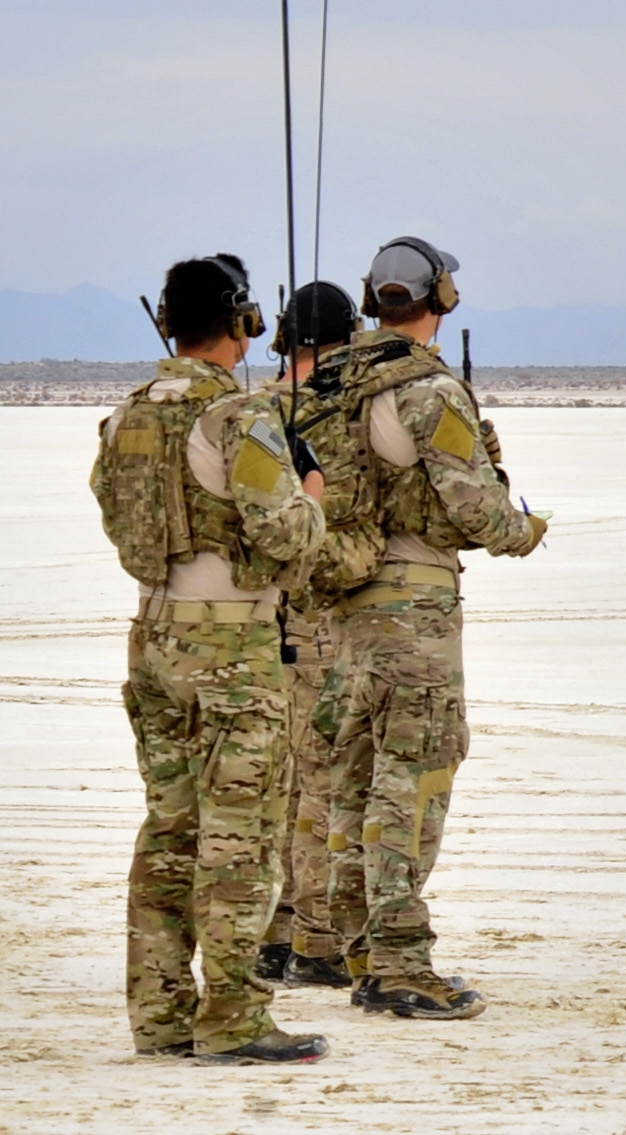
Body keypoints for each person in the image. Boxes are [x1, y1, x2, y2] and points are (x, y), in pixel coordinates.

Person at [90, 254, 330, 1063]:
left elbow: (118, 522)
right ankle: (233, 1015)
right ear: (240, 320)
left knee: (169, 826)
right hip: (230, 642)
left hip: (155, 634)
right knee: (241, 832)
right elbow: (282, 532)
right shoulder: (236, 416)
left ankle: (159, 1016)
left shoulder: (125, 414)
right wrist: (314, 504)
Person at [324, 236, 545, 1020]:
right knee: (412, 775)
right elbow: (477, 513)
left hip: (349, 603)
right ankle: (399, 962)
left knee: (359, 776)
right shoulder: (429, 390)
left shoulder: (336, 379)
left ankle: (360, 946)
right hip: (413, 600)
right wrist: (525, 524)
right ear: (439, 298)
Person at [257, 281, 383, 989]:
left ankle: (276, 931)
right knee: (322, 782)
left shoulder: (259, 409)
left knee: (282, 782)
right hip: (326, 611)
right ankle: (315, 937)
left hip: (266, 615)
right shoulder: (350, 406)